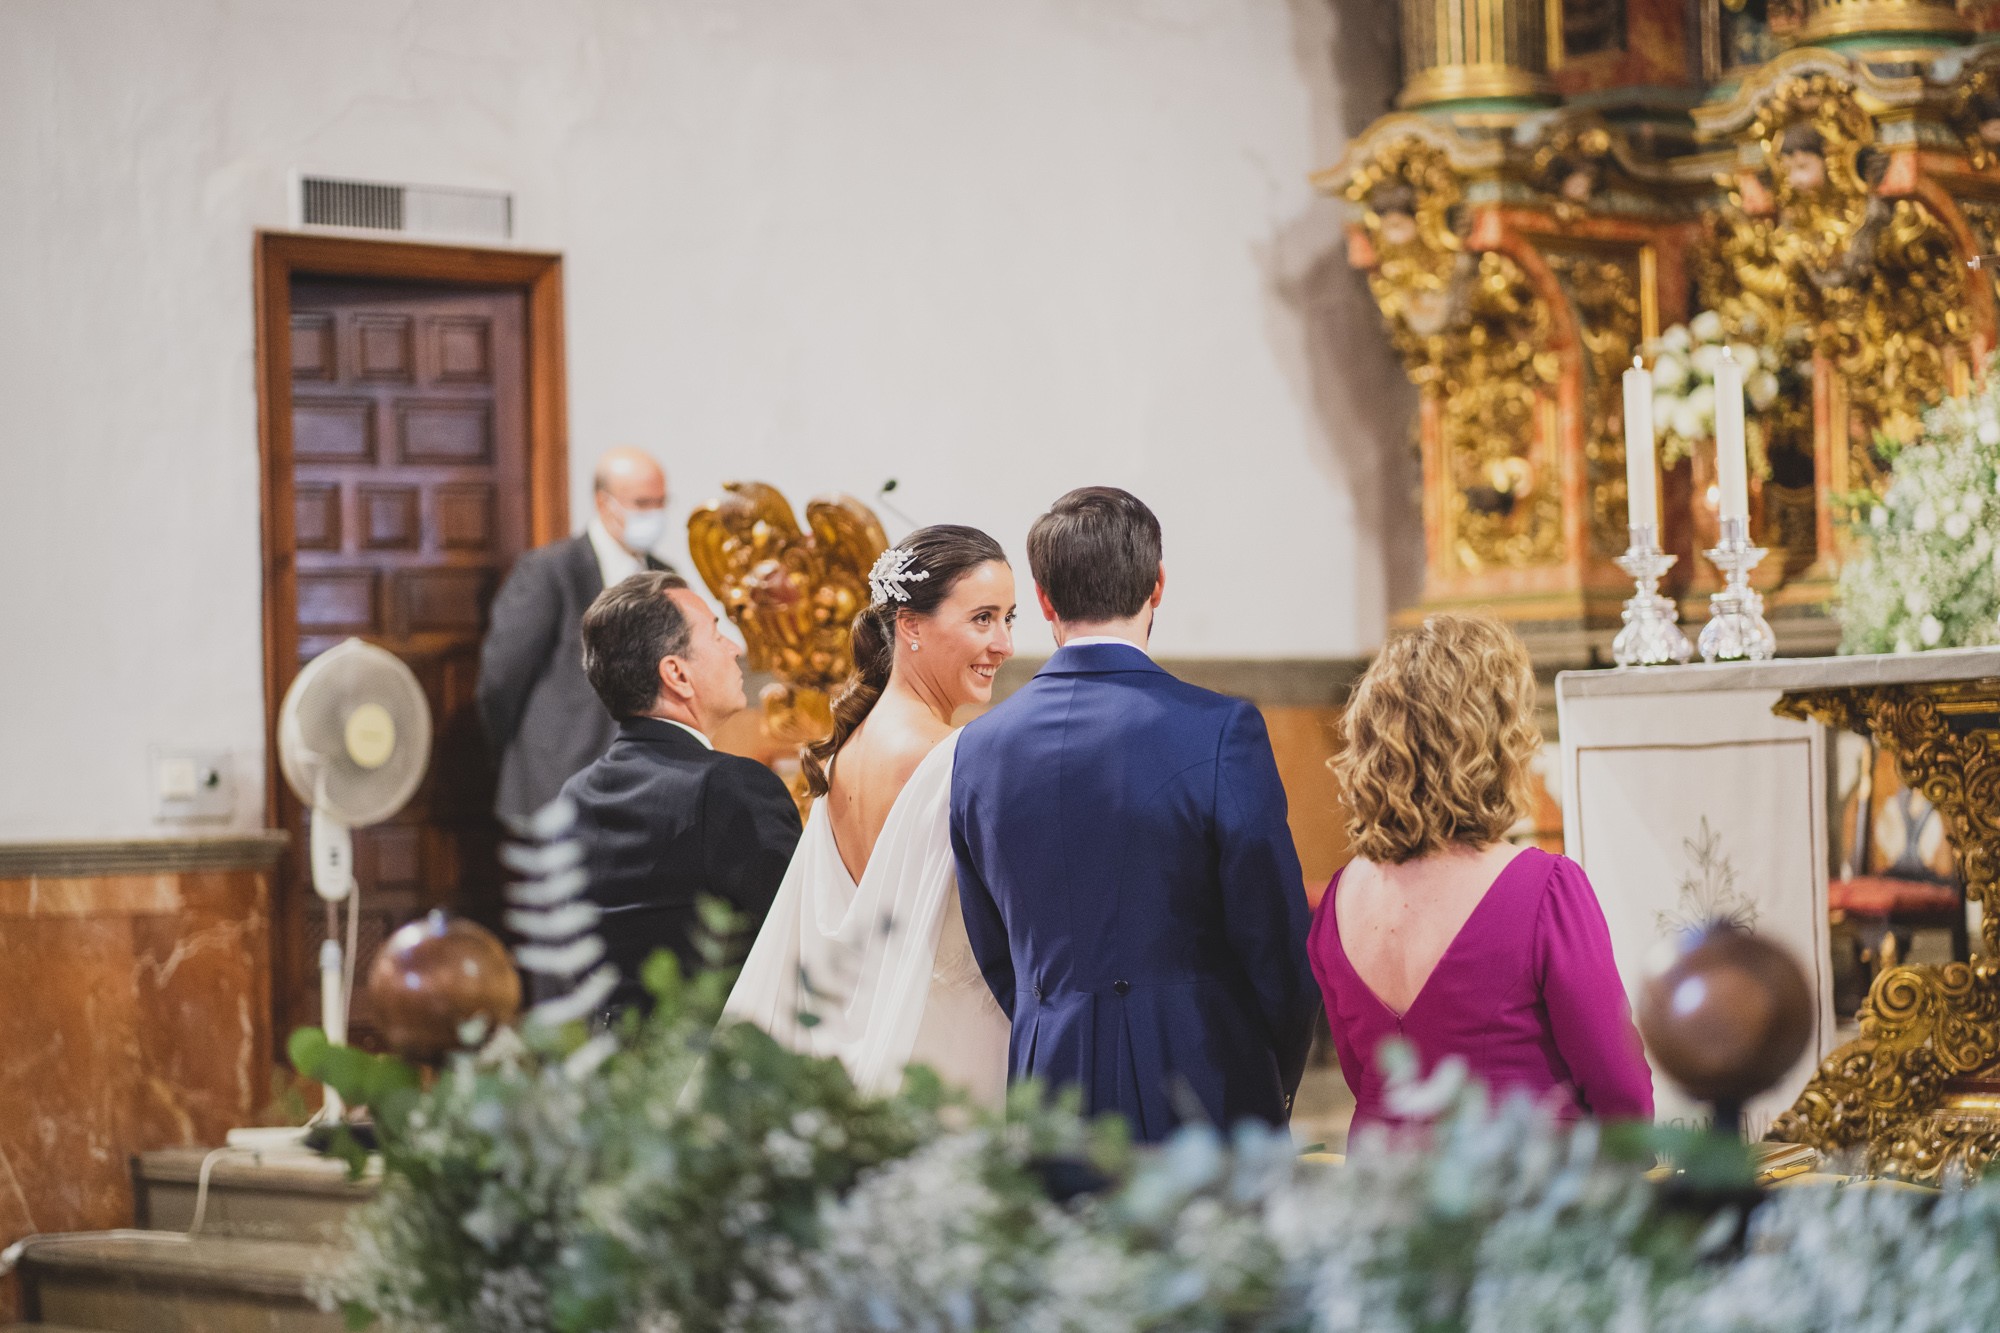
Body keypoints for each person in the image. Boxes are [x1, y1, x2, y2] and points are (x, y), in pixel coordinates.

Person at [950, 487, 1319, 1142]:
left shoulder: (978, 749)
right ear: (1158, 584)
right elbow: (1274, 937)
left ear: (1043, 600)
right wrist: (1275, 1069)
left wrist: (1053, 1017)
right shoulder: (1219, 730)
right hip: (1203, 1086)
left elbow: (994, 945)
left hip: (1048, 1092)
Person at [1310, 613, 1652, 1133]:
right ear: (1493, 740)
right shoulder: (1545, 891)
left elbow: (1364, 1079)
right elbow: (1619, 1087)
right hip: (1520, 1188)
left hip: (1386, 1191)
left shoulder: (1339, 899)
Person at [724, 526, 1017, 1105]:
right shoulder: (950, 757)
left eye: (1010, 618)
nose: (1003, 643)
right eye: (983, 618)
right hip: (945, 1051)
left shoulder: (848, 747)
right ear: (910, 625)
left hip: (855, 1034)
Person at [562, 570, 801, 1017]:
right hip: (715, 1070)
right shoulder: (728, 788)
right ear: (677, 674)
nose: (734, 649)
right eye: (715, 633)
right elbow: (802, 941)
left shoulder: (574, 796)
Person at [478, 447, 676, 822]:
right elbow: (502, 679)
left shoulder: (664, 577)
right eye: (642, 502)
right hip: (556, 781)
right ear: (605, 503)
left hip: (640, 789)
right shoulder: (550, 572)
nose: (654, 513)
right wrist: (513, 753)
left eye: (661, 502)